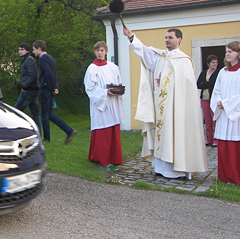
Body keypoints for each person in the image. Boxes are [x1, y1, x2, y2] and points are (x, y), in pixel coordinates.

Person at [122, 26, 207, 179]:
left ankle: (177, 170)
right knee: (161, 133)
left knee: (175, 134)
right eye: (166, 37)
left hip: (176, 108)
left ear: (179, 40)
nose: (167, 40)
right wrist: (131, 37)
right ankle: (161, 168)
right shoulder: (159, 57)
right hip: (160, 106)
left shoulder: (184, 61)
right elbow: (144, 52)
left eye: (171, 37)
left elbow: (186, 89)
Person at [210, 41, 240, 186]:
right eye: (226, 52)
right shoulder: (223, 72)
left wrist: (226, 104)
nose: (227, 54)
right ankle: (226, 176)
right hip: (225, 116)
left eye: (230, 51)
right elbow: (216, 91)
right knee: (226, 148)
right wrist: (219, 102)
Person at [84, 41, 124, 170]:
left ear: (106, 51)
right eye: (97, 51)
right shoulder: (92, 68)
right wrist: (105, 92)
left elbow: (119, 81)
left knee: (113, 132)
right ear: (94, 52)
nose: (99, 53)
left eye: (102, 50)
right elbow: (90, 88)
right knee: (103, 133)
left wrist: (118, 90)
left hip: (113, 103)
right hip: (101, 105)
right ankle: (102, 160)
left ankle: (114, 160)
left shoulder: (113, 67)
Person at [32, 40, 77, 144]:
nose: (33, 52)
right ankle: (68, 130)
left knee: (44, 115)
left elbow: (49, 74)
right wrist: (55, 87)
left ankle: (47, 139)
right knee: (49, 114)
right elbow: (54, 74)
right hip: (51, 88)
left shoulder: (42, 59)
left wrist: (52, 88)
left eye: (34, 49)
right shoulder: (51, 58)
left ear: (39, 48)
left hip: (46, 88)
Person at [14, 43, 41, 132]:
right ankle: (38, 134)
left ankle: (16, 131)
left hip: (29, 89)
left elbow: (33, 75)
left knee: (16, 111)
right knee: (34, 114)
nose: (20, 51)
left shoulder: (29, 60)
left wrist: (25, 86)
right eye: (19, 49)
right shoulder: (26, 60)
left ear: (27, 51)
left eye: (22, 49)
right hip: (32, 89)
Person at [197, 54, 220, 147]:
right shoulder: (203, 73)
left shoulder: (218, 72)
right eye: (213, 62)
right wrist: (207, 84)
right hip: (204, 98)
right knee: (207, 120)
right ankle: (209, 139)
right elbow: (198, 84)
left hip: (213, 98)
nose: (215, 64)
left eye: (216, 62)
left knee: (214, 118)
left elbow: (214, 84)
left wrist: (205, 84)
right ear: (208, 63)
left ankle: (216, 139)